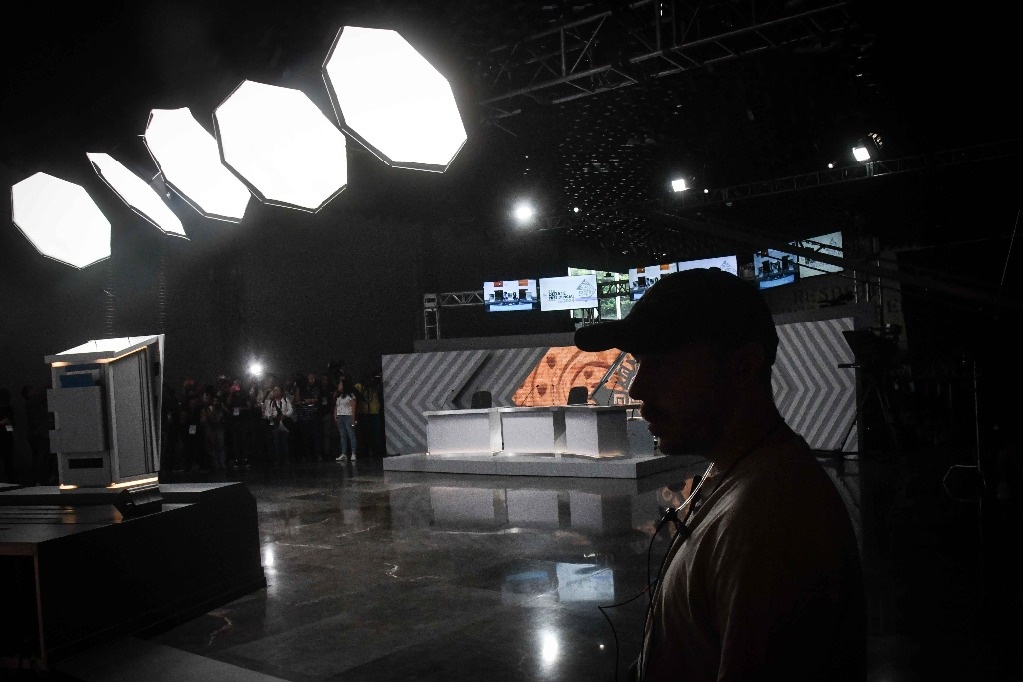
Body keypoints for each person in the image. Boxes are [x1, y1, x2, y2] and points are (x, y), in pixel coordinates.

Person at [574, 268, 866, 682]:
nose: (637, 388)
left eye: (663, 362)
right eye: (639, 362)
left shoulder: (773, 521)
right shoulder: (741, 474)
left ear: (743, 367)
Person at [262, 384, 293, 465]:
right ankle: (278, 459)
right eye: (274, 390)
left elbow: (291, 410)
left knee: (285, 442)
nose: (276, 392)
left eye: (277, 390)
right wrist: (271, 416)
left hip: (284, 422)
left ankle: (286, 458)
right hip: (275, 423)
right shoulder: (270, 402)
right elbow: (266, 412)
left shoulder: (286, 400)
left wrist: (285, 415)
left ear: (281, 392)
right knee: (276, 442)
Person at [333, 378, 358, 462]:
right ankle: (343, 453)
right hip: (340, 417)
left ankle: (353, 453)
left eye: (340, 384)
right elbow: (336, 406)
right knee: (342, 435)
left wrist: (353, 418)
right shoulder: (339, 396)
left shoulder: (350, 395)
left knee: (351, 434)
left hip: (348, 416)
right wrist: (335, 416)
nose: (338, 386)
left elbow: (353, 407)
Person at [0, 388, 16, 482]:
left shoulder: (8, 407)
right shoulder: (8, 407)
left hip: (6, 435)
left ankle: (10, 478)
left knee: (8, 459)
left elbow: (10, 422)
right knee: (8, 459)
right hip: (6, 435)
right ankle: (10, 479)